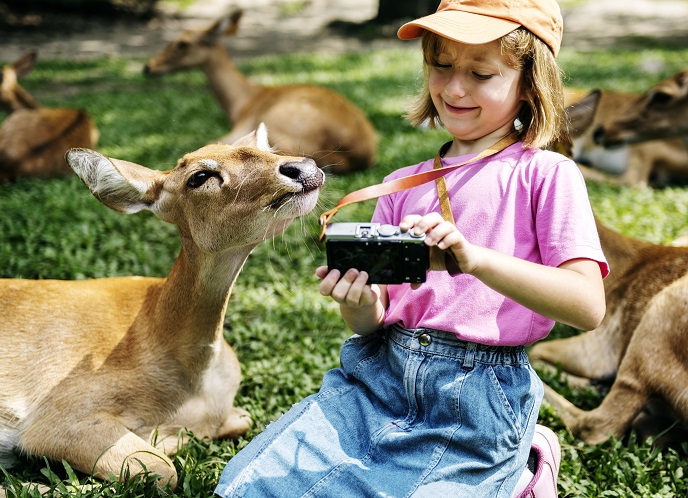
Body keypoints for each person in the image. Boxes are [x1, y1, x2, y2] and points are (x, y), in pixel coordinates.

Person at [214, 0, 608, 496]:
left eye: (481, 73)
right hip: (379, 383)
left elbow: (588, 305)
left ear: (531, 83)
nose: (455, 87)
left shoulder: (545, 174)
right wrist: (358, 302)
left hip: (476, 401)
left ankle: (527, 469)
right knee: (243, 487)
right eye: (441, 66)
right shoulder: (400, 185)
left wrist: (476, 260)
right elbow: (374, 318)